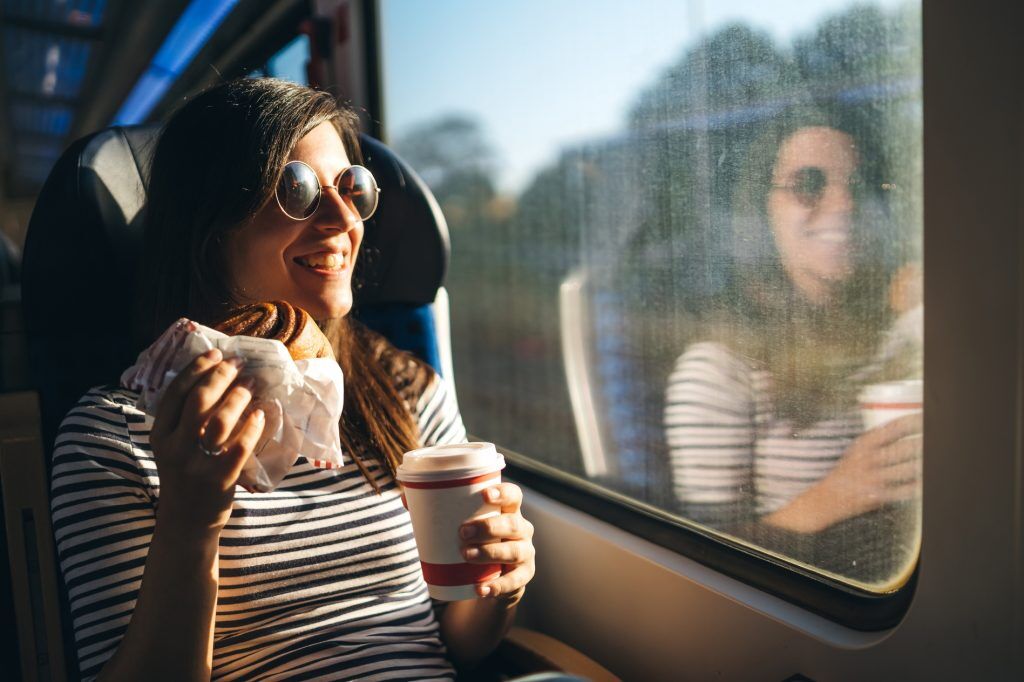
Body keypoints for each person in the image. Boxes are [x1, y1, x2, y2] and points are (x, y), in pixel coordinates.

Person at [49, 78, 536, 680]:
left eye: (352, 188)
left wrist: (499, 586)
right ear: (209, 223)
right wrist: (190, 525)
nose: (341, 219)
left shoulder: (405, 389)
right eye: (297, 190)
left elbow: (459, 645)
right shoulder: (113, 438)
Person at [663, 108, 922, 583]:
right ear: (762, 211)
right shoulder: (720, 369)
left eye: (860, 185)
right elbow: (703, 561)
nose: (844, 204)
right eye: (808, 183)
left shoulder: (893, 336)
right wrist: (840, 493)